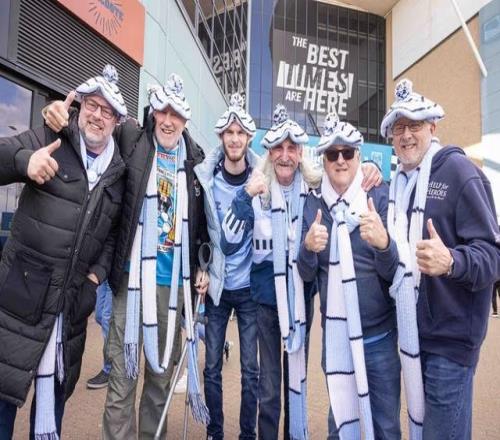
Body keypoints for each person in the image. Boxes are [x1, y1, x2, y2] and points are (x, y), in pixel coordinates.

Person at [43, 73, 210, 440]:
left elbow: (202, 226)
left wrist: (203, 265)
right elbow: (93, 134)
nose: (168, 121)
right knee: (122, 380)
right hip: (129, 287)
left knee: (159, 382)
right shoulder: (132, 139)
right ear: (153, 113)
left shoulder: (195, 164)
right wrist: (58, 118)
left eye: (177, 115)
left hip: (171, 290)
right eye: (163, 112)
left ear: (185, 121)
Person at [0, 65, 127, 439]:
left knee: (52, 405)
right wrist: (25, 161)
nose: (97, 116)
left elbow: (112, 235)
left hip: (70, 308)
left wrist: (95, 277)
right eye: (91, 105)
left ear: (117, 121)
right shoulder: (50, 135)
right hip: (21, 299)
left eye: (107, 111)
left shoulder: (118, 174)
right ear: (79, 106)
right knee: (3, 399)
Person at [379, 79, 500, 439]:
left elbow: (493, 255)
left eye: (415, 125)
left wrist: (452, 262)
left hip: (451, 342)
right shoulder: (399, 185)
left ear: (432, 128)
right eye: (399, 127)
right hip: (414, 336)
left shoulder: (460, 173)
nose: (406, 135)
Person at [297, 113, 401, 440]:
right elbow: (305, 274)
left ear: (359, 155)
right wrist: (308, 248)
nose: (340, 160)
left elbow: (395, 273)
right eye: (332, 154)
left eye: (347, 153)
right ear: (324, 160)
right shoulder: (313, 204)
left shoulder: (378, 196)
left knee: (386, 427)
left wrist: (384, 245)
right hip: (337, 338)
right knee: (340, 425)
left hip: (379, 338)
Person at [195, 93, 260, 440]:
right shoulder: (207, 179)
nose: (235, 139)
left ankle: (247, 433)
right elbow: (200, 229)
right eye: (229, 133)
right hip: (217, 288)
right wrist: (201, 265)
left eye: (240, 133)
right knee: (211, 368)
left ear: (248, 138)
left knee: (251, 371)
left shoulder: (261, 179)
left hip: (249, 289)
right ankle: (214, 431)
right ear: (222, 137)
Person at [87, 280, 113, 389]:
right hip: (104, 277)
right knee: (99, 316)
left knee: (107, 319)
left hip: (116, 275)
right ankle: (121, 351)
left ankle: (109, 369)